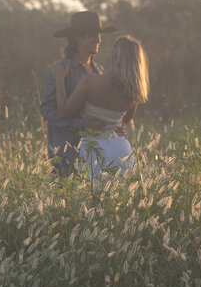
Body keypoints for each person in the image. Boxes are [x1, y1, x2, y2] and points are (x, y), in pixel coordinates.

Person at [51, 34, 148, 179]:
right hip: (121, 149)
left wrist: (59, 80)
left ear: (115, 57)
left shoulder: (90, 82)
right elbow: (125, 121)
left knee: (94, 196)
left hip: (93, 148)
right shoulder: (134, 91)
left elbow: (64, 112)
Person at [40, 11, 117, 177]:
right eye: (93, 35)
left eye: (99, 35)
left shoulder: (100, 71)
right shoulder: (60, 69)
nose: (98, 39)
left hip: (96, 152)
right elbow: (47, 110)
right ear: (78, 38)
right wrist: (80, 125)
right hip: (66, 153)